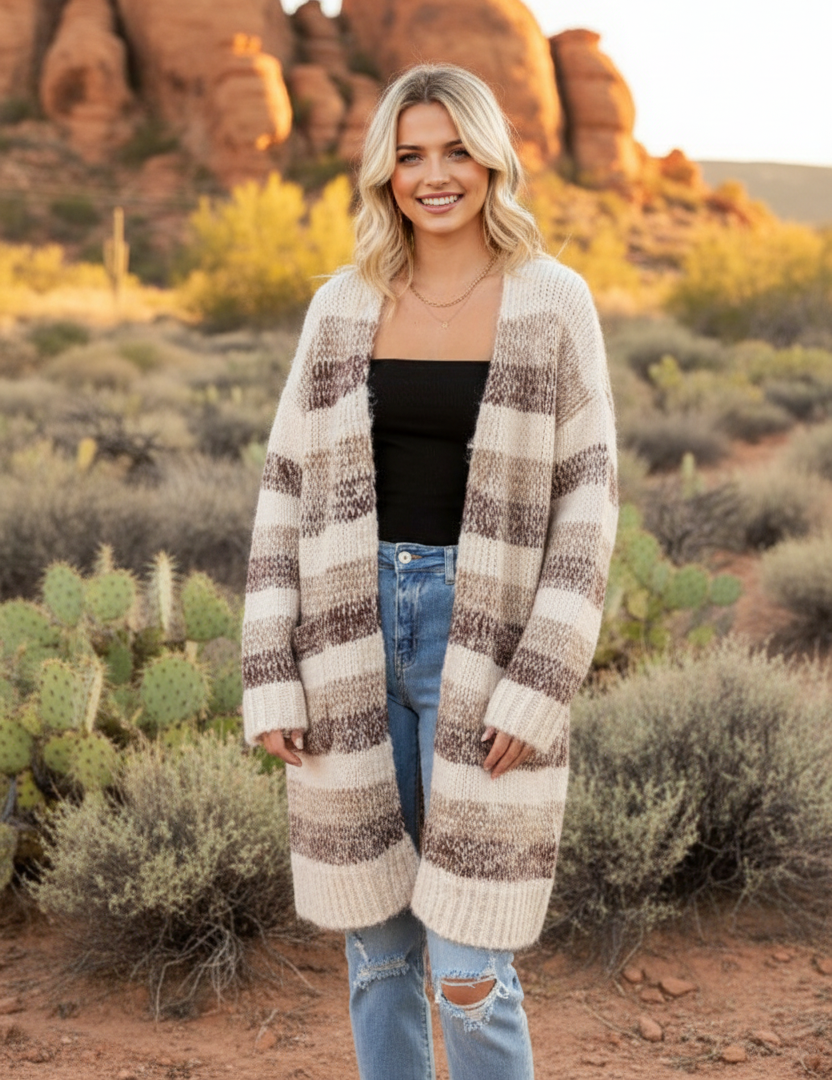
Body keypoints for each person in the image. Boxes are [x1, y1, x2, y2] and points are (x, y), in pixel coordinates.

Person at [242, 63, 618, 1081]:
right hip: (347, 630)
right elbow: (285, 486)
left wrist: (540, 682)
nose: (434, 174)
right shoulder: (341, 304)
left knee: (469, 970)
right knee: (377, 953)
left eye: (456, 150)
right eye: (411, 154)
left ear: (493, 159)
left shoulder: (551, 301)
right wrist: (271, 668)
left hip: (484, 633)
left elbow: (589, 502)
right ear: (384, 172)